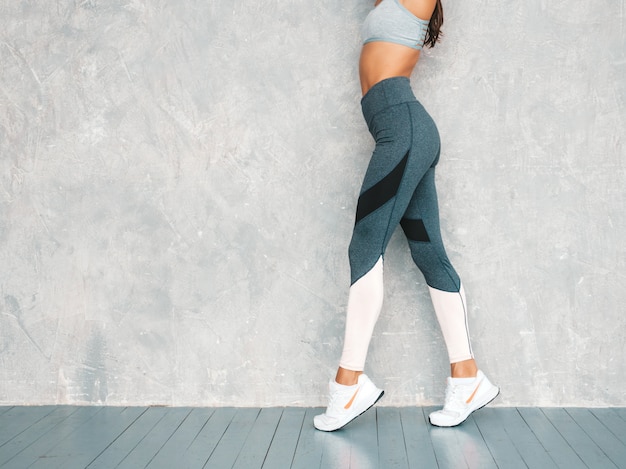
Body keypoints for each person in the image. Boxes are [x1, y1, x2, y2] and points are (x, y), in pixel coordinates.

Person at [314, 0, 499, 432]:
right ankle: (468, 377)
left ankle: (348, 383)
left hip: (404, 129)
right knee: (429, 254)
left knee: (365, 247)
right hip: (397, 130)